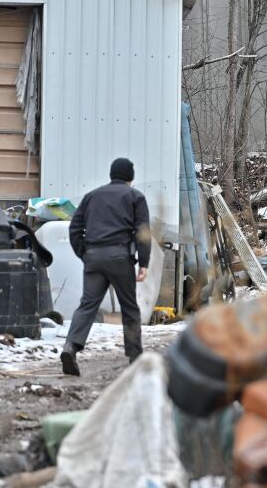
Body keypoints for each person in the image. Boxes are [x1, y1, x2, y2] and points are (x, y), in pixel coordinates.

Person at [61, 158, 152, 376]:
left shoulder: (92, 196)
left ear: (112, 175)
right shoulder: (135, 197)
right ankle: (134, 358)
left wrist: (84, 253)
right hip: (121, 258)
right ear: (130, 177)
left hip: (93, 257)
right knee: (129, 308)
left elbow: (75, 227)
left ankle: (71, 347)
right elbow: (143, 232)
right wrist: (144, 262)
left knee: (87, 305)